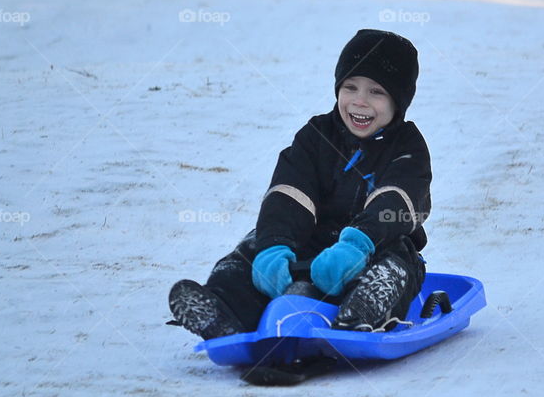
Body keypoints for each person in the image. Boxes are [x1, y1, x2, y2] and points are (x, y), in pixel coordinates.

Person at [169, 29, 431, 340]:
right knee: (251, 249)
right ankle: (224, 309)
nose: (359, 101)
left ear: (398, 101)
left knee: (397, 263)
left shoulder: (407, 146)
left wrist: (357, 244)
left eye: (376, 92)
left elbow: (396, 200)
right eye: (350, 87)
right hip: (310, 243)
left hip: (373, 245)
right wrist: (274, 246)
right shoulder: (316, 135)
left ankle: (364, 310)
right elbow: (289, 192)